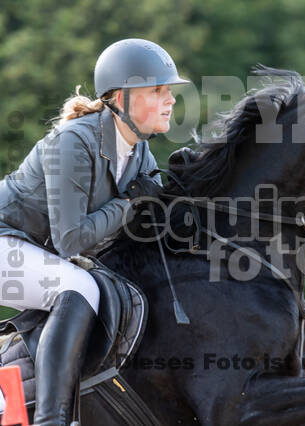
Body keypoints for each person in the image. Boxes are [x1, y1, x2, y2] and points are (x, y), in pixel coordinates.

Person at [0, 38, 189, 425]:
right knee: (77, 286)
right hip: (6, 242)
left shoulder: (140, 154)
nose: (170, 100)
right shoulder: (75, 141)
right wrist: (129, 204)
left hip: (39, 253)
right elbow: (72, 240)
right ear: (122, 97)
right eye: (158, 90)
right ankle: (52, 420)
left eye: (169, 90)